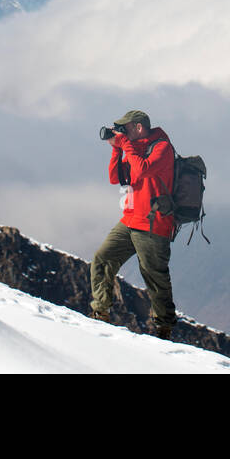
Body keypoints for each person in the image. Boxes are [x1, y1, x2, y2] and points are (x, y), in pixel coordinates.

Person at [88, 109, 178, 340]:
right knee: (103, 258)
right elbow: (115, 178)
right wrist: (117, 149)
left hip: (153, 223)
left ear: (138, 127)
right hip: (130, 219)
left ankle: (163, 328)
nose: (122, 133)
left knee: (154, 276)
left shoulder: (162, 147)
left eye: (125, 129)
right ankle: (100, 311)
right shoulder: (132, 148)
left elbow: (143, 169)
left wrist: (126, 145)